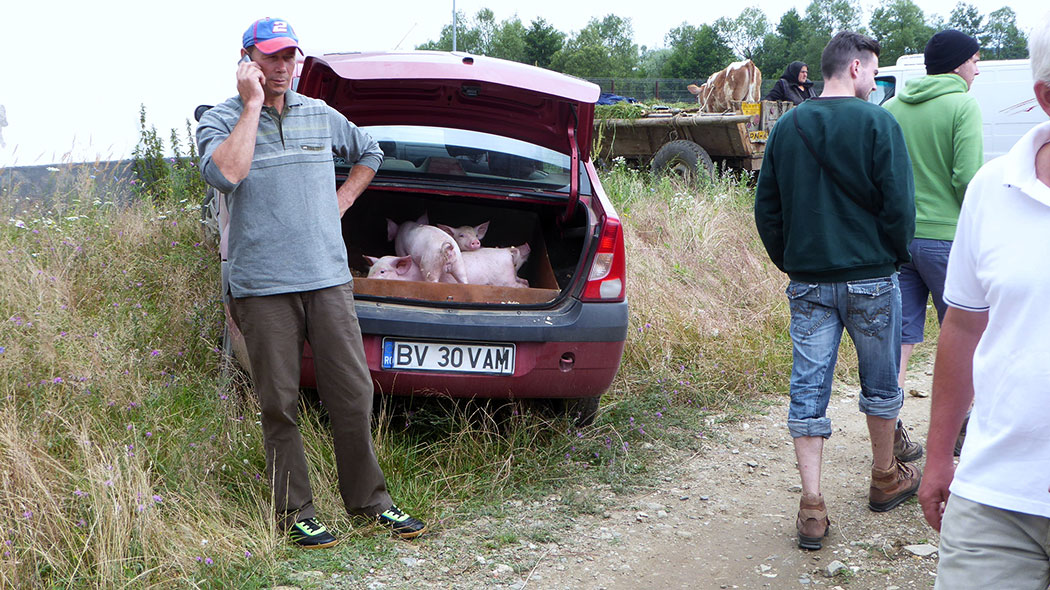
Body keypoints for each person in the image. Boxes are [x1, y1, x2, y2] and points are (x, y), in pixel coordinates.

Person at [196, 17, 427, 548]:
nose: (282, 67)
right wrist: (252, 106)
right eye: (272, 57)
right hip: (263, 287)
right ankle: (296, 510)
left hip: (326, 279)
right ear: (247, 59)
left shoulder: (319, 115)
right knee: (280, 401)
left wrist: (338, 202)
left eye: (290, 56)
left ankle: (371, 503)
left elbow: (370, 152)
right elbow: (225, 175)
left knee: (353, 392)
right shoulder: (222, 119)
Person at [754, 31, 919, 551]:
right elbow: (900, 208)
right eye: (872, 72)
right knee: (880, 382)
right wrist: (891, 256)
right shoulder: (879, 123)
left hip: (809, 281)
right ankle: (884, 477)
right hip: (871, 275)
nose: (874, 81)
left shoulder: (786, 128)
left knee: (808, 388)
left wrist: (794, 260)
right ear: (853, 69)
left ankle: (811, 506)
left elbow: (767, 211)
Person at [919, 14, 1050, 589]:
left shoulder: (899, 105)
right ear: (1046, 96)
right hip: (998, 492)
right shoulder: (991, 186)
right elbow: (964, 328)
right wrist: (940, 453)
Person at [883, 31, 982, 448]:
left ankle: (890, 426)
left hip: (900, 242)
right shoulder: (963, 105)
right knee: (962, 336)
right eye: (975, 60)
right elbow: (967, 179)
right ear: (959, 64)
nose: (978, 69)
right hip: (948, 242)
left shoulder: (892, 108)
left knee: (901, 339)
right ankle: (963, 428)